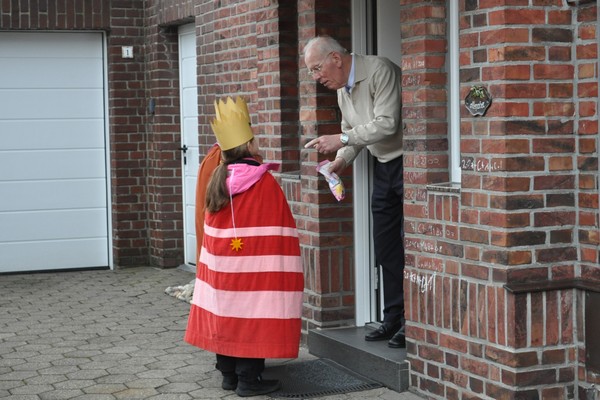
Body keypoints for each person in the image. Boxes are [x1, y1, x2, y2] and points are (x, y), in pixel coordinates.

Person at [184, 97, 304, 397]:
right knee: (254, 312)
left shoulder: (217, 178)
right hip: (256, 268)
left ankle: (228, 375)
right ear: (249, 145)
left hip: (222, 267)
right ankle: (248, 380)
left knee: (225, 311)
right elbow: (280, 226)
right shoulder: (263, 182)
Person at [303, 35, 405, 348]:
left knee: (411, 243)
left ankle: (412, 324)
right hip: (383, 166)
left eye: (317, 68)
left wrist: (342, 141)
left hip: (409, 162)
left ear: (336, 58)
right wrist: (339, 161)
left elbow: (387, 123)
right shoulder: (342, 89)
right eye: (311, 72)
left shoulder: (379, 70)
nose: (316, 77)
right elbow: (351, 134)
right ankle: (393, 318)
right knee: (385, 245)